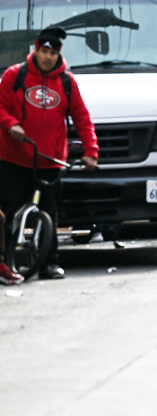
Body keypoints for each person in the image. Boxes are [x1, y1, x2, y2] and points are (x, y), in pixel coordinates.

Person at [0, 27, 99, 283]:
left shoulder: (67, 82)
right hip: (15, 159)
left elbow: (82, 118)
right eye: (44, 51)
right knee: (8, 214)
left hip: (50, 161)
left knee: (50, 213)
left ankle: (50, 264)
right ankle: (6, 262)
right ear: (36, 49)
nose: (47, 57)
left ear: (58, 54)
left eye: (52, 52)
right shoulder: (15, 75)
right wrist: (11, 124)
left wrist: (91, 152)